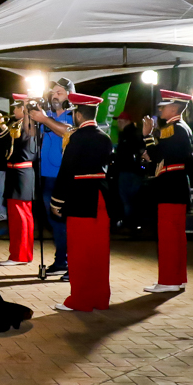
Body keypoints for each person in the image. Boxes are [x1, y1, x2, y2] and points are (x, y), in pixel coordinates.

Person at [50, 93, 112, 312]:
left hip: (80, 197)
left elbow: (66, 171)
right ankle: (100, 297)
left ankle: (81, 300)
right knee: (99, 251)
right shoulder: (105, 137)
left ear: (77, 114)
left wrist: (57, 200)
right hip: (101, 197)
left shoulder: (77, 137)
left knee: (80, 252)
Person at [142, 89, 193, 294]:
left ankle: (169, 280)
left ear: (174, 108)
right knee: (177, 235)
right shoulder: (183, 127)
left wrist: (147, 135)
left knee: (169, 236)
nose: (160, 109)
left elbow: (156, 155)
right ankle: (177, 278)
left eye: (163, 106)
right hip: (177, 184)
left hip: (170, 185)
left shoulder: (173, 128)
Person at [30, 81, 75, 276]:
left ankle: (71, 264)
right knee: (54, 222)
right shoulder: (46, 116)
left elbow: (67, 132)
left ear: (70, 96)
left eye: (60, 92)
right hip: (46, 175)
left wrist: (45, 120)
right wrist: (29, 115)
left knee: (66, 221)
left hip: (64, 177)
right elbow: (30, 134)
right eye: (53, 92)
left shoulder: (74, 115)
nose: (55, 96)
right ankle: (61, 261)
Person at [0, 95, 38, 266]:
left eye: (16, 107)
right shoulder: (16, 125)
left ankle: (19, 255)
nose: (13, 110)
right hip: (18, 173)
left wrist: (27, 106)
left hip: (21, 172)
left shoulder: (28, 125)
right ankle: (23, 253)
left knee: (20, 217)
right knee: (22, 216)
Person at [112, 112, 144, 231]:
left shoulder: (127, 134)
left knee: (126, 199)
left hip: (127, 170)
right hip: (135, 170)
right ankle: (134, 223)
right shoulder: (136, 132)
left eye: (120, 121)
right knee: (133, 199)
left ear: (126, 122)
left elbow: (124, 154)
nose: (118, 124)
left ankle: (130, 223)